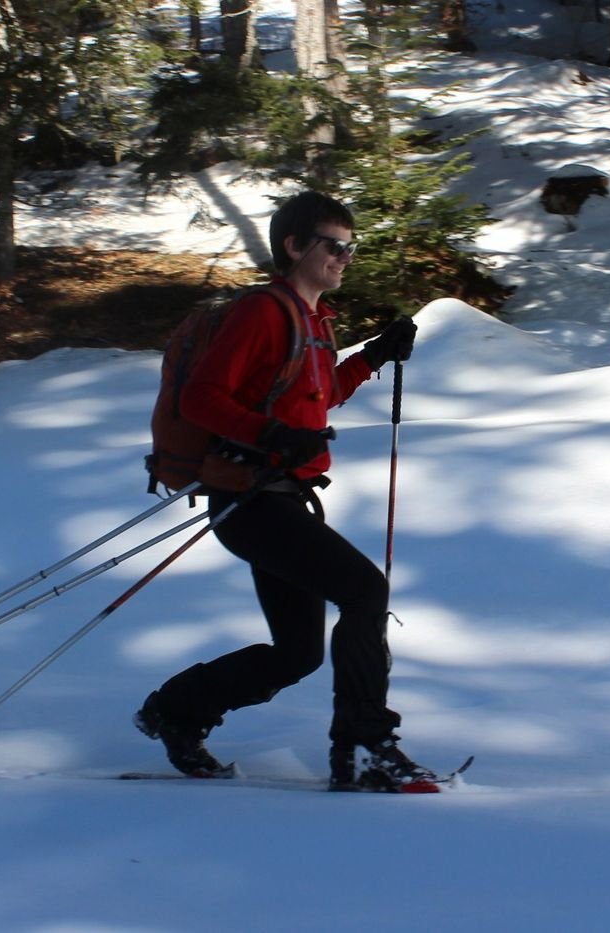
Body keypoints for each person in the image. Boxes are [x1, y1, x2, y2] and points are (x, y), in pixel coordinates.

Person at [134, 191, 435, 791]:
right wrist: (269, 434)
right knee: (363, 589)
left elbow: (318, 399)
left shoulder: (312, 322)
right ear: (295, 246)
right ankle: (366, 746)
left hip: (281, 498)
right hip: (250, 499)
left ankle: (178, 709)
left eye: (352, 247)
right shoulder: (263, 313)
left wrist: (374, 355)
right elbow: (203, 398)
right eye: (335, 245)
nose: (346, 257)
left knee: (298, 653)